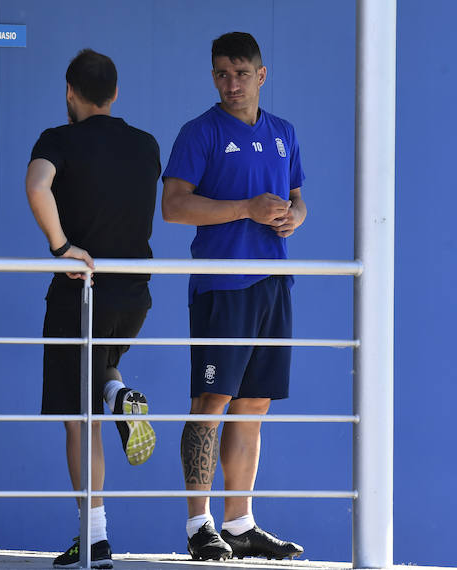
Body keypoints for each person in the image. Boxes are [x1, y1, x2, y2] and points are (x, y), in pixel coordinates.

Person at [161, 32, 307, 561]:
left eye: (242, 73)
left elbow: (297, 199)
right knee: (211, 403)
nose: (232, 84)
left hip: (273, 283)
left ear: (262, 76)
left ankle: (240, 523)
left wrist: (295, 218)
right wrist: (245, 208)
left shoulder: (284, 132)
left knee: (254, 406)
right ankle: (199, 524)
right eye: (222, 73)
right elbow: (173, 208)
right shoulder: (199, 132)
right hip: (223, 286)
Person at [25, 49, 161, 569]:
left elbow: (37, 186)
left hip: (80, 293)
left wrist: (61, 247)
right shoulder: (146, 145)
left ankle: (95, 537)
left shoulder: (57, 140)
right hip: (135, 294)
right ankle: (119, 391)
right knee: (101, 366)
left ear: (70, 92)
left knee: (80, 420)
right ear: (116, 93)